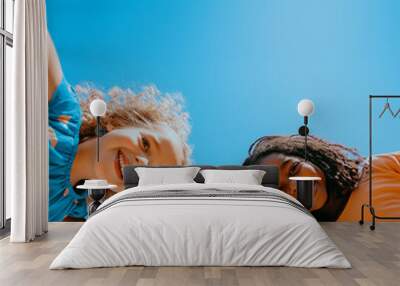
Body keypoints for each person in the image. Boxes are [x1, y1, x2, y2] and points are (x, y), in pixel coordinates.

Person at [48, 33, 191, 222]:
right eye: (146, 145)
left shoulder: (76, 213)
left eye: (151, 174)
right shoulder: (63, 113)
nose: (142, 163)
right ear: (119, 123)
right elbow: (31, 31)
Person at [243, 135, 400, 221]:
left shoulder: (377, 167)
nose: (295, 186)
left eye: (294, 169)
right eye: (281, 190)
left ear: (311, 158)